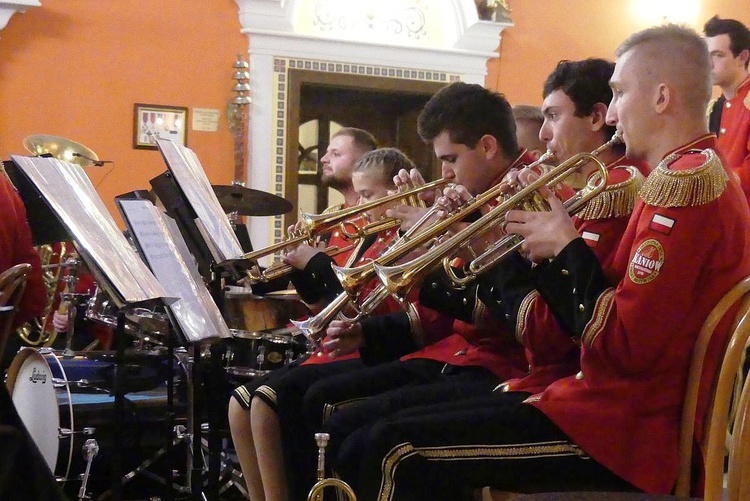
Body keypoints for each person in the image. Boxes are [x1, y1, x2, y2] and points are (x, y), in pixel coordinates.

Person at [345, 24, 750, 500]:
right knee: (381, 432)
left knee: (391, 447)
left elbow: (623, 346)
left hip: (626, 430)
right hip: (605, 406)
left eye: (619, 93)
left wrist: (563, 247)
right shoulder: (682, 177)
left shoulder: (685, 187)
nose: (613, 112)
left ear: (662, 97)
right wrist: (534, 248)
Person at [309, 58, 647, 492]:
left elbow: (539, 331)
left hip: (533, 375)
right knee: (347, 426)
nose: (543, 135)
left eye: (553, 117)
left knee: (383, 443)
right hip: (505, 364)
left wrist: (473, 245)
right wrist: (450, 243)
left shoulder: (607, 192)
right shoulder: (560, 191)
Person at [227, 147, 413, 501]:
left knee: (267, 400)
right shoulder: (369, 237)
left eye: (368, 196)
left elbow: (367, 311)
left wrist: (317, 265)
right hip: (342, 340)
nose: (359, 205)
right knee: (241, 400)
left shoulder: (397, 238)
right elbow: (324, 305)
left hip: (374, 347)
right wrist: (304, 271)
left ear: (398, 191)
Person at [704, 15, 750, 202]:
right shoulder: (714, 106)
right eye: (707, 56)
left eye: (718, 55)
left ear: (742, 57)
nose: (710, 64)